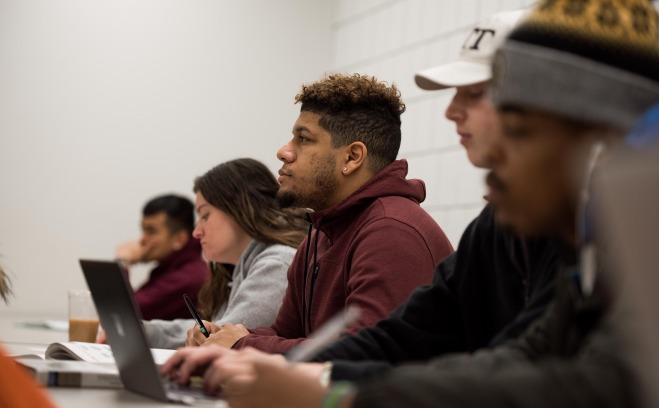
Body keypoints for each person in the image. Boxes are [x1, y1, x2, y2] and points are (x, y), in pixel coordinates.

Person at [163, 0, 659, 406]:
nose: (452, 112)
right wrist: (301, 374)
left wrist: (331, 392)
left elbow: (583, 385)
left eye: (518, 126)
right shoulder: (522, 230)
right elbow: (513, 355)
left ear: (605, 143)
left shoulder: (627, 231)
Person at [185, 73, 454, 353]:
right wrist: (225, 336)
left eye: (303, 139)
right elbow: (285, 333)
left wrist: (243, 344)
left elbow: (366, 354)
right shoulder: (320, 233)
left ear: (352, 157)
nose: (283, 152)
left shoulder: (391, 231)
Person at [140, 158, 309, 349]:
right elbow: (210, 331)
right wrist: (144, 332)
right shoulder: (238, 269)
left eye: (205, 216)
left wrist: (143, 334)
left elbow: (221, 339)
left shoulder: (278, 263)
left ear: (239, 210)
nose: (196, 232)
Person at [116, 194, 210, 320]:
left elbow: (121, 315)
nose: (142, 239)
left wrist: (122, 263)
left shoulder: (187, 278)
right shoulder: (177, 269)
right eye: (143, 230)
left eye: (151, 231)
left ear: (179, 239)